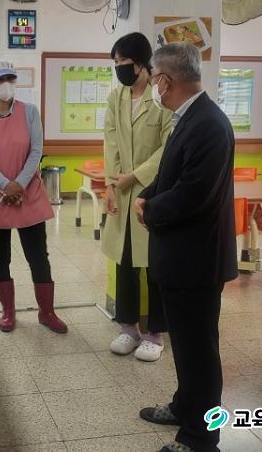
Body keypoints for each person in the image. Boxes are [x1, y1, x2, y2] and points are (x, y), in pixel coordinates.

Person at [135, 43, 238, 452]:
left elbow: (193, 193)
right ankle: (184, 406)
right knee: (186, 344)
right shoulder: (188, 117)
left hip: (197, 260)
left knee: (199, 352)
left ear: (164, 80)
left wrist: (150, 210)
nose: (152, 86)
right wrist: (147, 195)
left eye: (152, 78)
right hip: (180, 256)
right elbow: (170, 174)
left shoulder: (209, 124)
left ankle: (200, 437)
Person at [0, 60, 67, 334]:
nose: (6, 85)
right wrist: (6, 185)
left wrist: (19, 184)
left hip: (28, 193)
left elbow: (36, 150)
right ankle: (8, 312)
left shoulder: (30, 112)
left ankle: (47, 312)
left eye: (10, 79)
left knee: (38, 255)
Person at [102, 32, 172, 362]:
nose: (119, 68)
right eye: (116, 62)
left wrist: (137, 176)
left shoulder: (161, 98)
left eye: (124, 62)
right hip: (122, 191)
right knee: (125, 261)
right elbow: (111, 141)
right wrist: (110, 184)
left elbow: (168, 147)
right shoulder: (116, 97)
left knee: (155, 265)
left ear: (142, 63)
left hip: (152, 190)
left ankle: (155, 333)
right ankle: (128, 328)